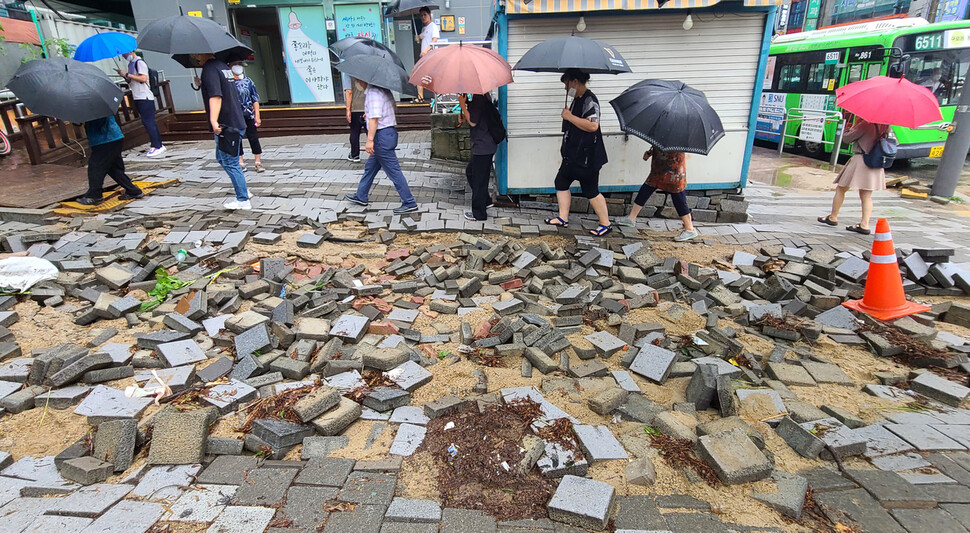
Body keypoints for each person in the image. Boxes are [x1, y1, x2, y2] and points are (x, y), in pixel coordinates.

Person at [545, 69, 613, 237]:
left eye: (566, 84)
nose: (566, 89)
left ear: (574, 82)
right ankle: (563, 217)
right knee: (561, 181)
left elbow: (592, 126)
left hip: (586, 157)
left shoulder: (590, 100)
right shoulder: (577, 99)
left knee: (591, 190)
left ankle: (606, 223)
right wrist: (568, 116)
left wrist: (569, 117)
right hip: (572, 155)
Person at [343, 81, 418, 214]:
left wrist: (369, 140)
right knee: (370, 167)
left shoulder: (373, 93)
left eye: (359, 80)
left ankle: (409, 202)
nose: (357, 83)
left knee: (393, 171)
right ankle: (361, 195)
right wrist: (369, 114)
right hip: (387, 133)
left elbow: (374, 119)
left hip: (381, 136)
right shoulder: (384, 89)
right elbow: (386, 110)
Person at [192, 53, 251, 210]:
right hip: (234, 120)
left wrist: (213, 121)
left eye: (196, 53)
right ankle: (243, 189)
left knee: (230, 162)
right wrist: (201, 85)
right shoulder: (223, 67)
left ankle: (243, 199)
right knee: (222, 158)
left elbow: (216, 96)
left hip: (226, 124)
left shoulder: (210, 69)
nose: (195, 56)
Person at [818, 118, 889, 235]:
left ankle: (833, 217)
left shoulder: (865, 124)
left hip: (860, 160)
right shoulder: (885, 125)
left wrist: (848, 129)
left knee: (841, 188)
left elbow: (847, 139)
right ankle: (864, 224)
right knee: (866, 195)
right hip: (875, 161)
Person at [616, 148, 698, 242]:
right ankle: (631, 218)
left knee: (678, 197)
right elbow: (659, 144)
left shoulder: (678, 137)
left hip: (673, 170)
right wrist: (650, 152)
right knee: (646, 189)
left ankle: (689, 228)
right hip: (659, 168)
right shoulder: (665, 134)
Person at [76, 115, 144, 205]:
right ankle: (133, 190)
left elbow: (98, 121)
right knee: (114, 169)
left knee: (95, 167)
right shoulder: (96, 105)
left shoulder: (95, 107)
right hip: (113, 137)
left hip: (105, 140)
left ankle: (94, 195)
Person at [458, 93, 498, 222]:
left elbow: (473, 122)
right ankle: (485, 200)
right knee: (471, 171)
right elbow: (476, 118)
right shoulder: (483, 97)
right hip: (486, 144)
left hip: (483, 146)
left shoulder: (478, 99)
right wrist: (464, 113)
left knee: (479, 179)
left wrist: (462, 105)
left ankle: (479, 213)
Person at [117, 52, 165, 158]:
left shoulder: (139, 63)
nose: (124, 56)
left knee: (148, 122)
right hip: (137, 96)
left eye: (124, 54)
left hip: (145, 96)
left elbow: (143, 78)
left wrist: (127, 74)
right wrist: (124, 75)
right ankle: (158, 144)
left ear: (130, 51)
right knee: (148, 121)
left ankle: (156, 145)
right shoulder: (131, 64)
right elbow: (131, 81)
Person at [231, 62, 264, 173]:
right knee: (237, 138)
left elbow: (255, 99)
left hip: (249, 114)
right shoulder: (229, 83)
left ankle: (258, 162)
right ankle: (240, 162)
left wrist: (257, 116)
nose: (238, 67)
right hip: (235, 115)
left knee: (253, 137)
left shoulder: (248, 81)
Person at [415, 6, 439, 103]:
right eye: (421, 15)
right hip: (425, 57)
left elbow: (435, 40)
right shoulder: (424, 28)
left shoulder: (433, 26)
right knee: (421, 75)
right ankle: (420, 97)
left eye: (425, 15)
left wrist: (426, 50)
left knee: (426, 76)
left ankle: (424, 97)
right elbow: (423, 43)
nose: (423, 17)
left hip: (431, 56)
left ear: (429, 15)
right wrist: (419, 39)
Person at [344, 73, 366, 162]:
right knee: (370, 131)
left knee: (354, 132)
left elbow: (349, 91)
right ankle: (376, 154)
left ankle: (355, 154)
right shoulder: (369, 70)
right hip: (368, 106)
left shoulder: (348, 72)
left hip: (355, 108)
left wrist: (348, 109)